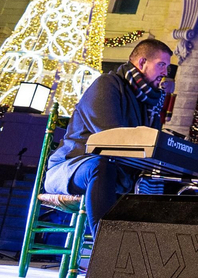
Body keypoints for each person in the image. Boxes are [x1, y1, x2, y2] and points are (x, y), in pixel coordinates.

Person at [43, 37, 172, 226]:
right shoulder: (107, 84)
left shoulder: (150, 103)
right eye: (161, 64)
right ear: (142, 62)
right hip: (72, 166)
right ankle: (105, 241)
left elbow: (153, 146)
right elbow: (112, 139)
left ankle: (142, 239)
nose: (165, 73)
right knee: (101, 165)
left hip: (118, 172)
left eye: (167, 67)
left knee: (165, 179)